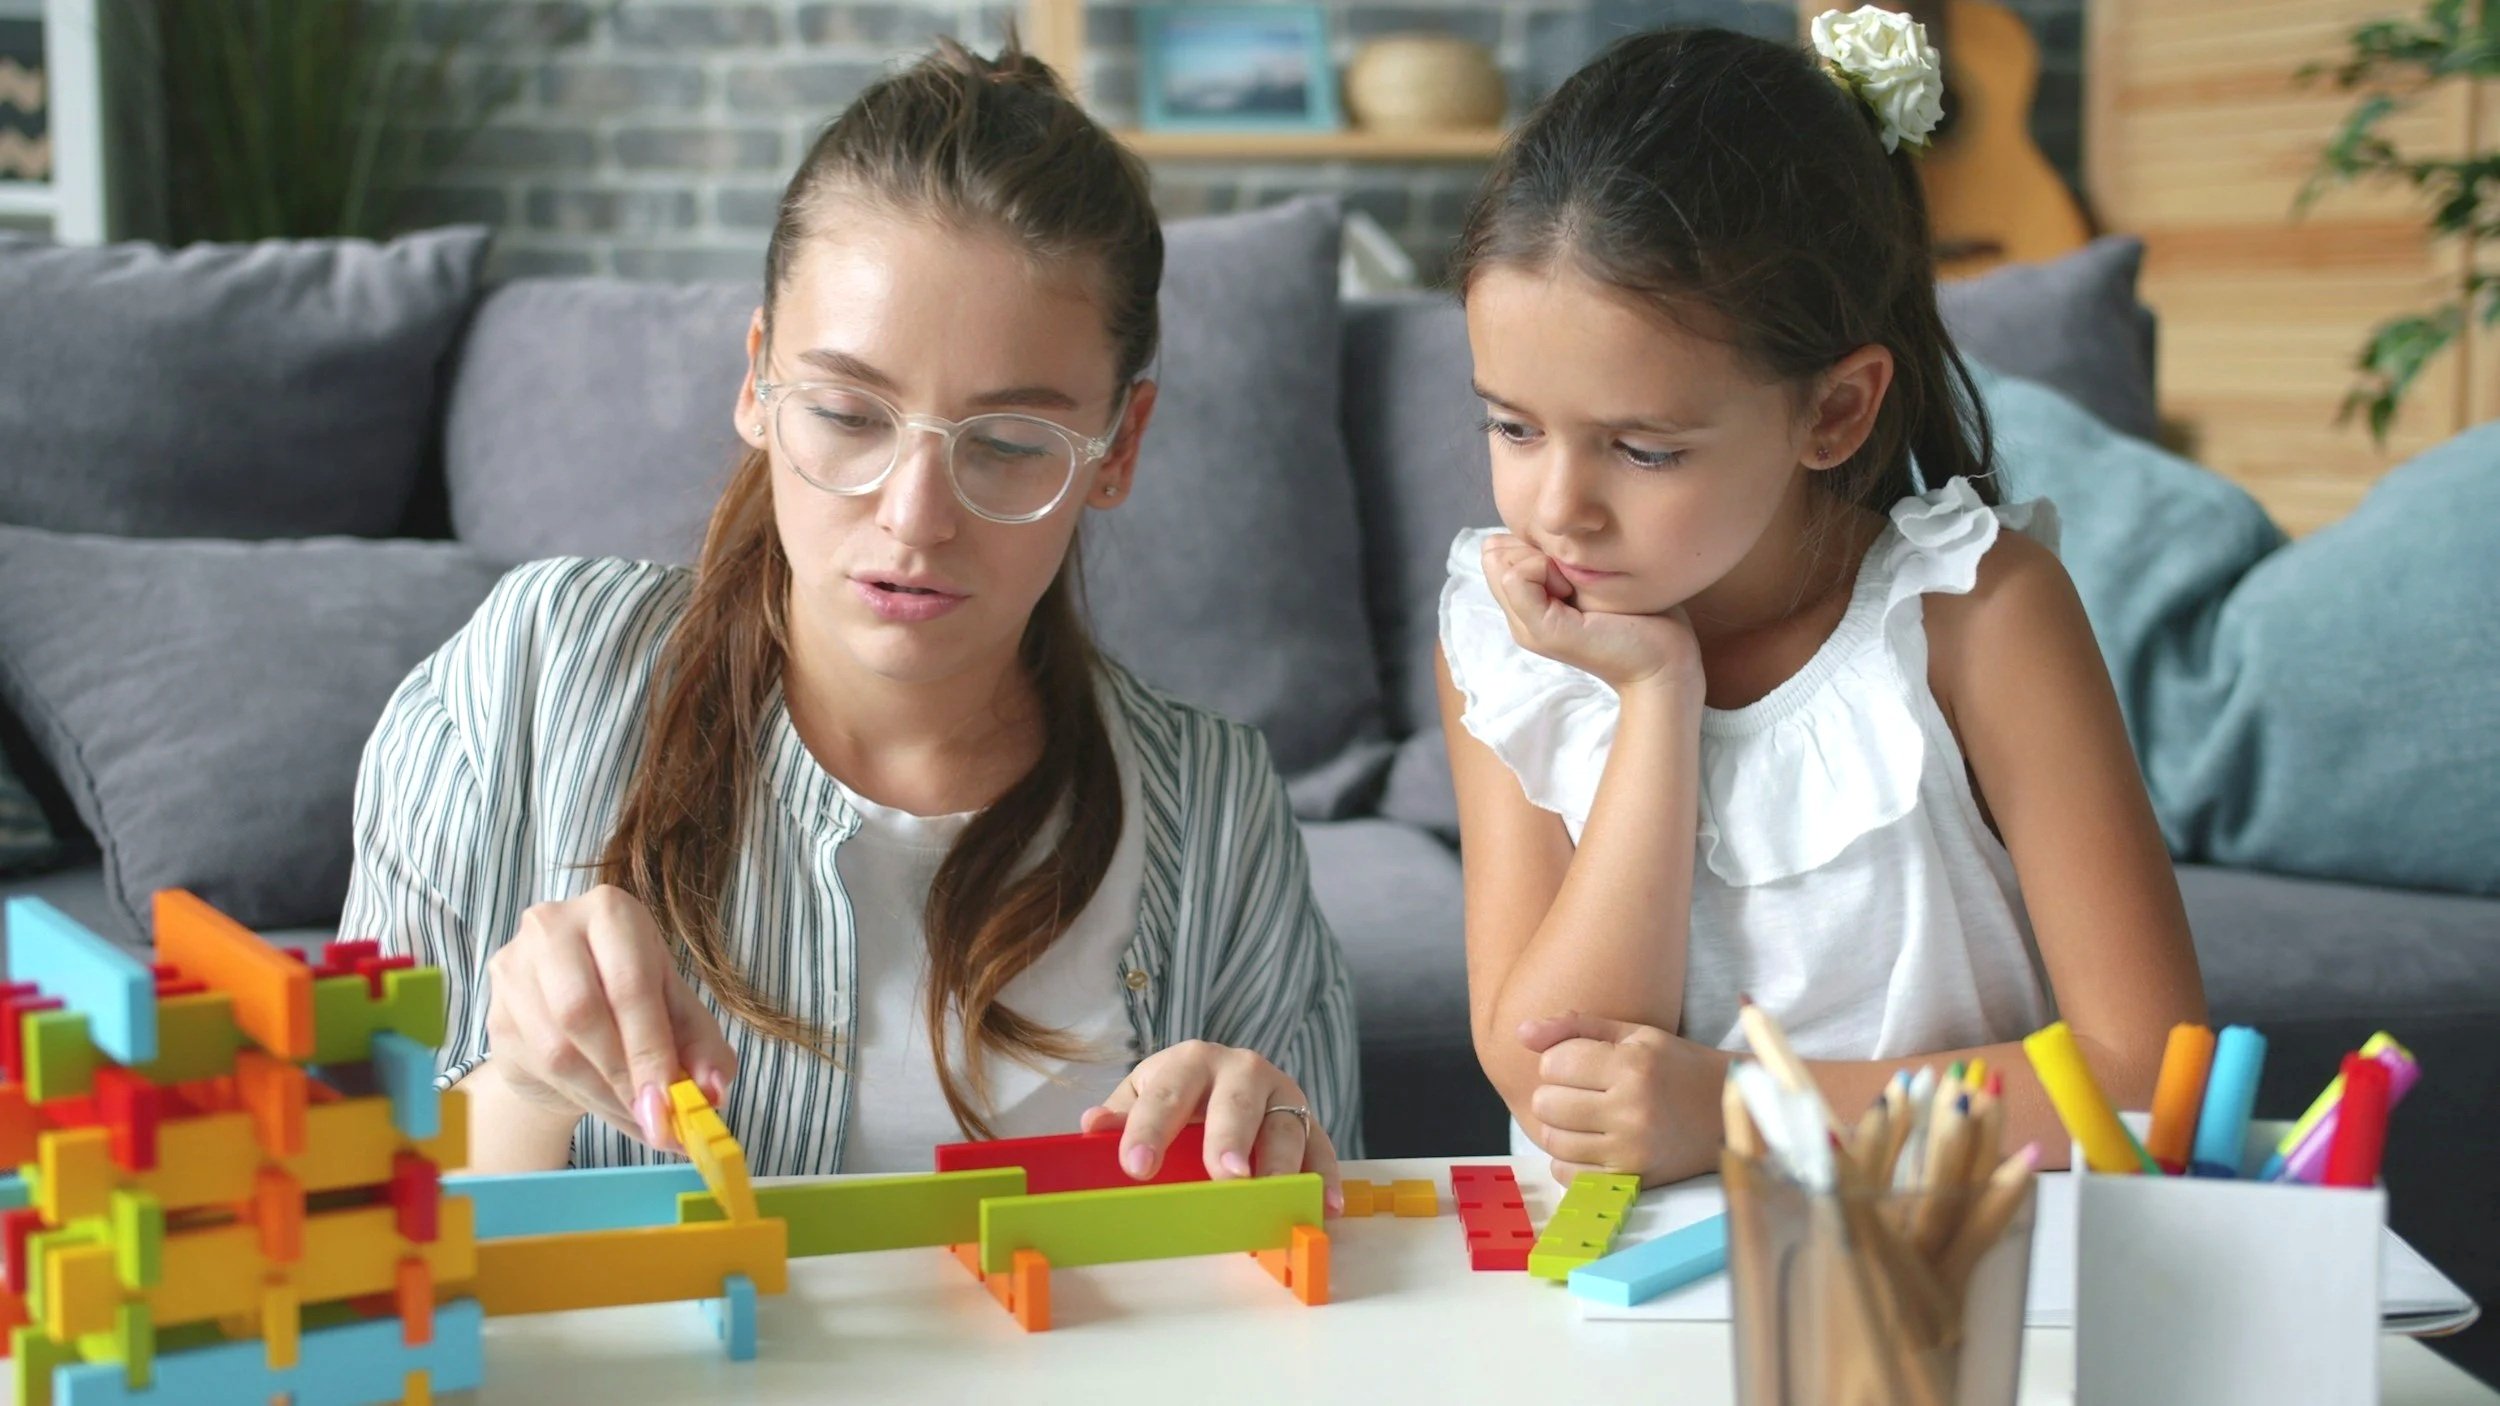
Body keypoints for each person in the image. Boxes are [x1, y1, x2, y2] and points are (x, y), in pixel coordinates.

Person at [340, 39, 1358, 1205]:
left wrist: (1273, 1146)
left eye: (1012, 443)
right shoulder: (528, 675)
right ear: (758, 382)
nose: (914, 518)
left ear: (1117, 447)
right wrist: (520, 1087)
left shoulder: (1217, 806)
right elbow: (342, 1203)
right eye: (846, 413)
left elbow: (1341, 1258)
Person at [1437, 12, 2205, 1185]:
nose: (1559, 508)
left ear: (1834, 411)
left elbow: (2152, 1074)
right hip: (1615, 1305)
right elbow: (1553, 1074)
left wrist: (1748, 1110)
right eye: (1512, 426)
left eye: (1641, 449)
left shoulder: (1973, 616)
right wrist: (1654, 695)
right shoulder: (1507, 638)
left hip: (1934, 1276)